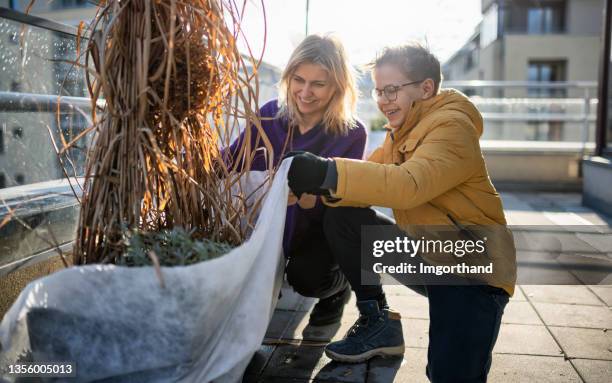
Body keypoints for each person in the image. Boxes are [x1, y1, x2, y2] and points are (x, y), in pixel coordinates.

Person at [285, 42, 517, 382]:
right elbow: (364, 181)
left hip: (471, 271)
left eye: (392, 90)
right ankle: (378, 322)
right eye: (379, 91)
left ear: (426, 88)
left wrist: (326, 172)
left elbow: (407, 185)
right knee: (344, 218)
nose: (382, 100)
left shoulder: (452, 128)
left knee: (450, 375)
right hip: (427, 254)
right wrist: (316, 189)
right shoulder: (401, 133)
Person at [225, 34, 367, 326]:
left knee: (308, 279)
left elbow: (346, 202)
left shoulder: (352, 133)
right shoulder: (268, 116)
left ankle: (338, 290)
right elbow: (231, 160)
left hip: (317, 233)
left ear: (337, 87)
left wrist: (313, 198)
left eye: (318, 84)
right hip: (268, 229)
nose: (305, 92)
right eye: (298, 79)